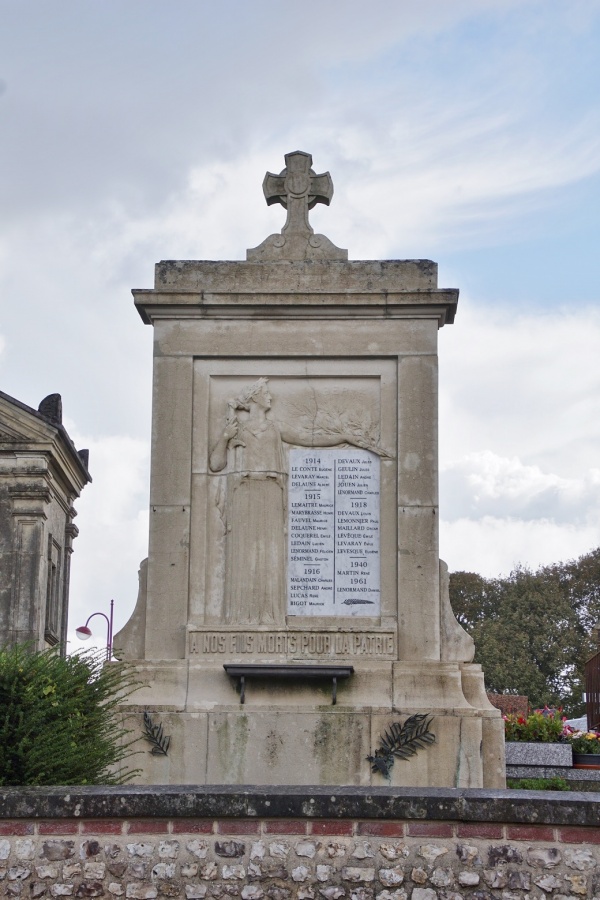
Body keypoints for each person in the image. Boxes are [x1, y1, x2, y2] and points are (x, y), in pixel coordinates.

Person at [209, 378, 376, 626]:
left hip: (272, 492)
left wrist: (344, 437)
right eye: (265, 393)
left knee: (271, 554)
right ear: (254, 398)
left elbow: (307, 439)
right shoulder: (237, 429)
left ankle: (269, 615)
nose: (270, 397)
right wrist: (224, 437)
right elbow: (215, 465)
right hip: (243, 494)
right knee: (244, 555)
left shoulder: (275, 428)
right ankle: (241, 616)